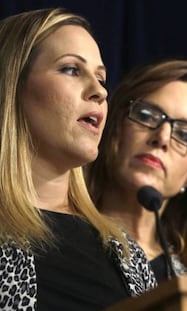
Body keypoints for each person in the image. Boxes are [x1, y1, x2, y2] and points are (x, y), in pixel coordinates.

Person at [0, 8, 156, 310]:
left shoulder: (125, 252)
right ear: (12, 85)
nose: (98, 91)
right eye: (71, 69)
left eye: (101, 78)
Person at [86, 59, 187, 282]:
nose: (162, 138)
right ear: (114, 126)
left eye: (185, 135)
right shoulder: (62, 236)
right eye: (147, 116)